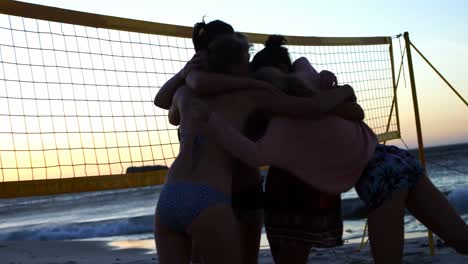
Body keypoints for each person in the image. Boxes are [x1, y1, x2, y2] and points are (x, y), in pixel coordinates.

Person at [195, 47, 468, 264]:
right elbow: (303, 64)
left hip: (378, 176)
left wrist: (212, 122)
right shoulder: (313, 84)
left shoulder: (283, 124)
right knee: (460, 239)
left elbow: (254, 154)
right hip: (395, 158)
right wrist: (335, 88)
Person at [154, 31, 357, 264]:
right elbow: (314, 107)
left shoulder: (185, 92)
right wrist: (345, 90)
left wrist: (188, 75)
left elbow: (171, 115)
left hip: (169, 196)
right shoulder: (252, 94)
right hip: (209, 198)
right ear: (241, 62)